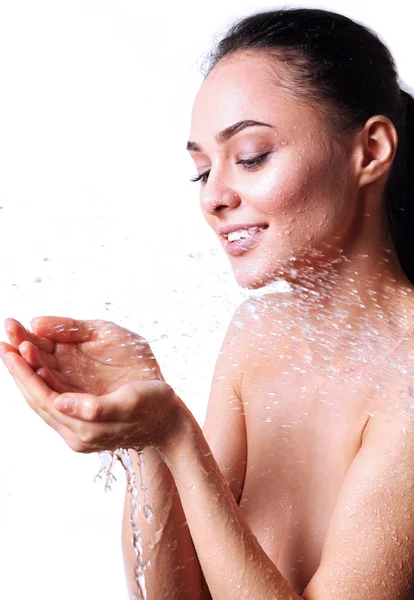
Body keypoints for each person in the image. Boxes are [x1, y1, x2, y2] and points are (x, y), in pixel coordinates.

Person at [1, 7, 413, 599]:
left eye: (250, 156)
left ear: (370, 149)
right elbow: (175, 594)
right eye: (201, 170)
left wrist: (176, 435)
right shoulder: (258, 334)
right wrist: (142, 434)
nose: (215, 196)